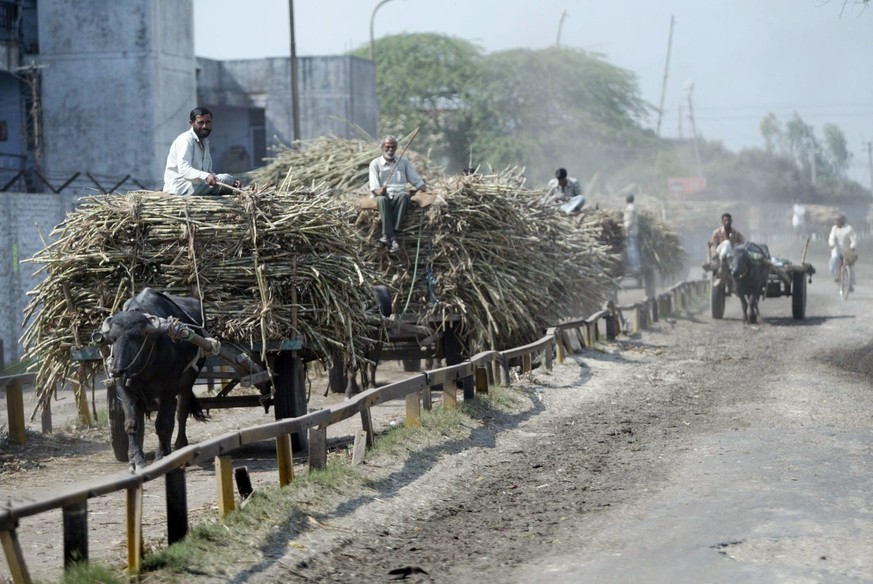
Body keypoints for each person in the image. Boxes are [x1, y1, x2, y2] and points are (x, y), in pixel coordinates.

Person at [368, 135, 427, 253]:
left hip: (398, 194)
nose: (390, 150)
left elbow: (416, 180)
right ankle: (393, 237)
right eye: (387, 147)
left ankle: (387, 235)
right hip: (383, 195)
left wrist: (425, 188)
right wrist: (380, 191)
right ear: (382, 148)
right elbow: (374, 187)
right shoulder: (375, 164)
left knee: (404, 196)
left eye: (393, 147)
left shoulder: (403, 162)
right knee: (382, 200)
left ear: (396, 148)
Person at [163, 106, 238, 195]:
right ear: (191, 123)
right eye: (201, 123)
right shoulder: (186, 139)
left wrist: (230, 182)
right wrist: (207, 176)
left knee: (228, 179)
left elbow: (208, 172)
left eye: (208, 122)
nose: (205, 126)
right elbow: (184, 169)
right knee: (226, 179)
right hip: (180, 188)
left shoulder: (205, 142)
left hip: (196, 186)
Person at [828, 213, 857, 290]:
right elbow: (831, 238)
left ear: (842, 221)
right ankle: (837, 275)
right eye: (835, 221)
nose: (836, 222)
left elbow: (854, 239)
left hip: (847, 250)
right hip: (837, 250)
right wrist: (832, 244)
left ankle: (850, 284)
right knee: (834, 260)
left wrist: (852, 246)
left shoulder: (849, 228)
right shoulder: (834, 228)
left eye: (838, 221)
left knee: (850, 267)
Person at [624, 194, 641, 275]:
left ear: (626, 200)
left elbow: (629, 221)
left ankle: (636, 266)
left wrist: (626, 229)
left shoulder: (629, 208)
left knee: (632, 249)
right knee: (633, 248)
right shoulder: (633, 207)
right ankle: (636, 265)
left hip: (630, 232)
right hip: (634, 231)